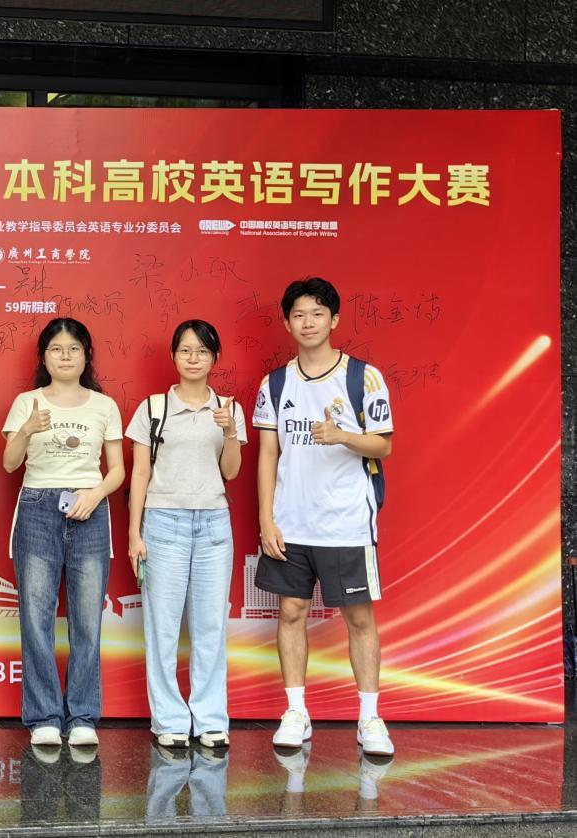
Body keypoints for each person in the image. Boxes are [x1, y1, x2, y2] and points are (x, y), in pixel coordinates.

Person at [252, 277, 395, 757]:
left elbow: (383, 445)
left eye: (317, 313)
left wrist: (343, 436)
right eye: (298, 314)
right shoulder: (275, 384)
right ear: (287, 322)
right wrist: (266, 520)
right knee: (291, 612)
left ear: (334, 319)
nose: (308, 322)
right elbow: (267, 454)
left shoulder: (363, 378)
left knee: (359, 617)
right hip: (291, 522)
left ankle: (370, 718)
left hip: (346, 521)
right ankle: (296, 712)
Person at [2, 317, 125, 748]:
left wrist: (95, 494)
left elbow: (118, 470)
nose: (65, 356)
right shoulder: (27, 402)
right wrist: (27, 430)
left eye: (74, 348)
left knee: (87, 620)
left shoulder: (104, 406)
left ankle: (83, 715)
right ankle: (44, 717)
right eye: (56, 349)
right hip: (37, 507)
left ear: (87, 355)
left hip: (90, 508)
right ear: (44, 357)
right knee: (36, 619)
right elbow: (9, 463)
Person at [127, 319, 245, 751]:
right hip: (163, 523)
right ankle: (170, 720)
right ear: (173, 356)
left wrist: (229, 430)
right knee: (162, 628)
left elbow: (231, 472)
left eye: (202, 351)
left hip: (214, 523)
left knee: (211, 627)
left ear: (215, 358)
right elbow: (140, 473)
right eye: (185, 350)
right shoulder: (153, 408)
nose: (194, 359)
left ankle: (211, 719)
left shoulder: (229, 408)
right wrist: (134, 533)